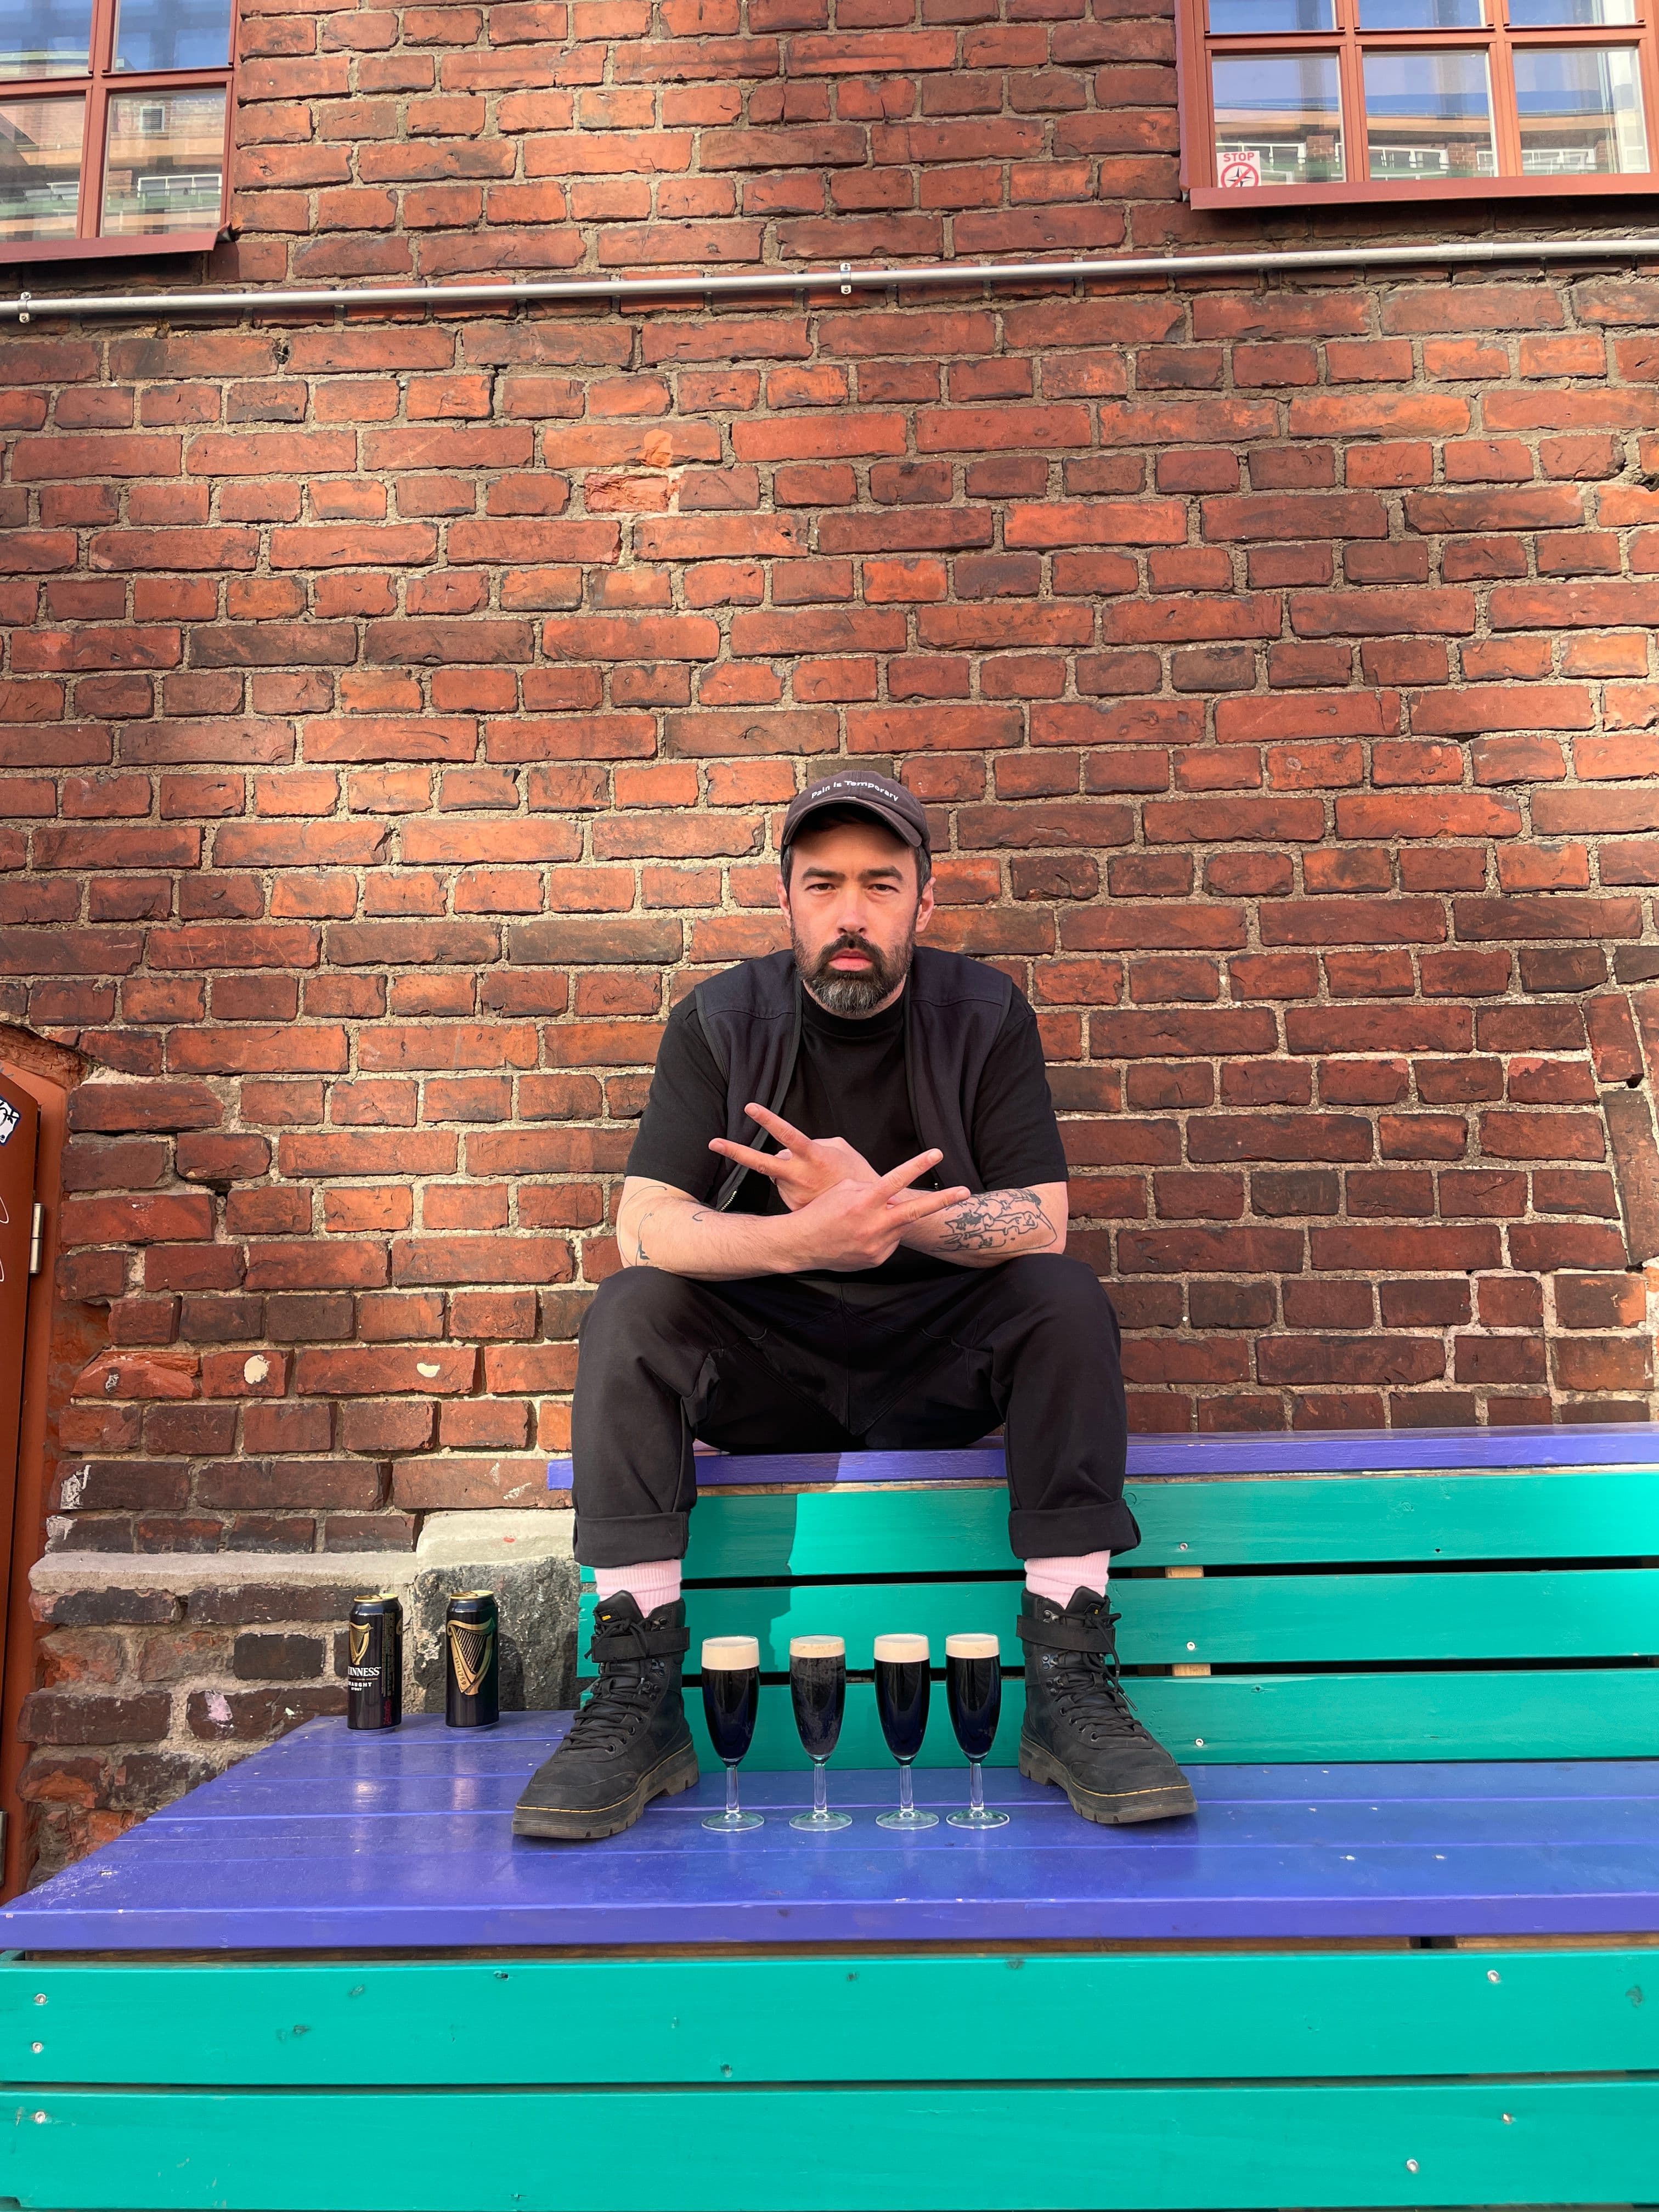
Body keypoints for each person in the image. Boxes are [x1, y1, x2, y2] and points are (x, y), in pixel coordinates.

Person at [513, 769, 1197, 1841]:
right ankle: (638, 1696)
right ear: (785, 898)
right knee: (631, 1311)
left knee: (1062, 1299)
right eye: (823, 883)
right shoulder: (721, 1020)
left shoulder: (983, 1014)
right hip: (767, 1365)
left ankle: (1069, 1680)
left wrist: (876, 1211)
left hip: (935, 1360)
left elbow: (1042, 1221)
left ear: (923, 900)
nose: (850, 912)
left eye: (880, 884)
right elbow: (642, 1225)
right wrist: (801, 1240)